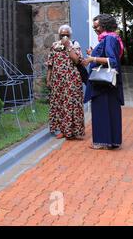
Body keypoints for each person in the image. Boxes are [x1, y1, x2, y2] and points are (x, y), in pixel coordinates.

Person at [82, 14, 124, 150]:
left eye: (97, 26)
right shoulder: (111, 38)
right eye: (93, 27)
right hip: (108, 84)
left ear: (105, 25)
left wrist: (92, 59)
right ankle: (112, 142)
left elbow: (112, 61)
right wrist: (93, 53)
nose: (95, 29)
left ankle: (103, 142)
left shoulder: (110, 38)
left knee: (102, 111)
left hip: (103, 84)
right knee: (110, 111)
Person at [46, 24, 85, 140]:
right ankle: (63, 130)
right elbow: (50, 64)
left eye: (66, 35)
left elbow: (77, 60)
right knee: (59, 105)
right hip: (57, 80)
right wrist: (48, 79)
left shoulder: (75, 45)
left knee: (72, 104)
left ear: (70, 35)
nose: (64, 37)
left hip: (72, 80)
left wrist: (68, 46)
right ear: (59, 35)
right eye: (62, 35)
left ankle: (75, 131)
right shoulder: (54, 46)